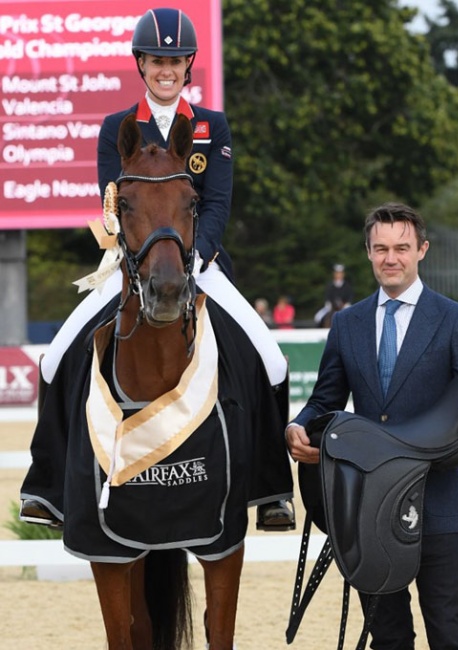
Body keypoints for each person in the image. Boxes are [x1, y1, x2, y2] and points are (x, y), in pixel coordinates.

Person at [22, 7, 293, 530]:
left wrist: (193, 257)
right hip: (132, 265)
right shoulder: (115, 129)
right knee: (55, 358)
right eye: (155, 60)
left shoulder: (212, 127)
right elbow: (111, 203)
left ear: (189, 63)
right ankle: (47, 486)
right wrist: (139, 255)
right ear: (140, 64)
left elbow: (216, 202)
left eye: (174, 60)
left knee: (272, 359)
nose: (165, 69)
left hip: (199, 261)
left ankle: (271, 488)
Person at [286, 202, 458, 649]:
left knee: (449, 633)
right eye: (381, 248)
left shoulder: (455, 320)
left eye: (401, 248)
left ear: (421, 250)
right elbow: (324, 400)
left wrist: (441, 451)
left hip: (438, 505)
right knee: (386, 638)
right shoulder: (347, 323)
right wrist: (299, 427)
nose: (391, 258)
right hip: (369, 510)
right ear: (368, 252)